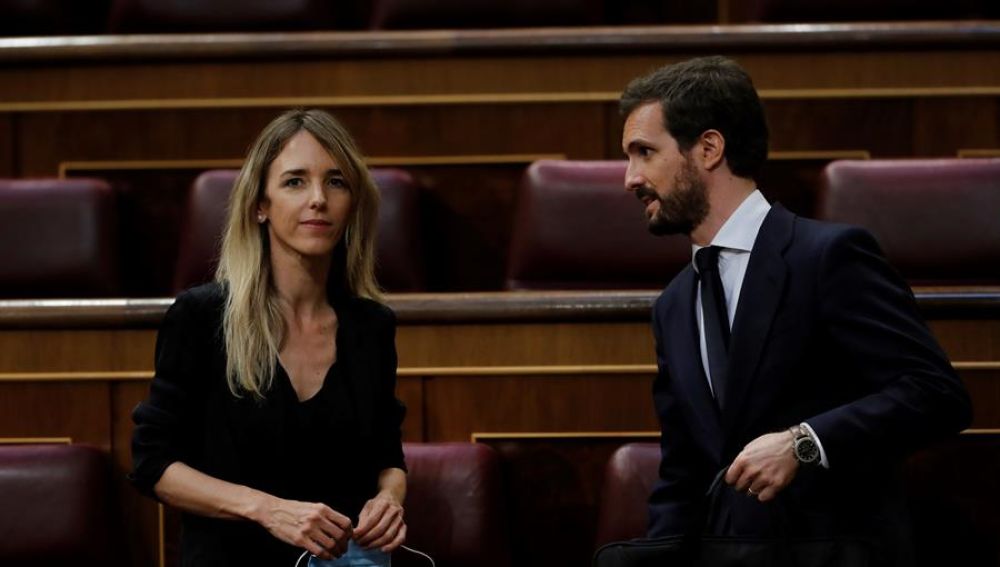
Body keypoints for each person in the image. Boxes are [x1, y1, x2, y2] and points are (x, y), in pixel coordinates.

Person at [620, 56, 971, 565]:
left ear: (710, 148)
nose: (630, 178)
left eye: (644, 153)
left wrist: (805, 443)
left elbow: (937, 395)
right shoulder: (674, 303)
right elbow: (683, 474)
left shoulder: (827, 257)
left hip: (833, 551)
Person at [131, 109, 407, 566]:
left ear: (353, 203)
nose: (318, 198)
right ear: (260, 205)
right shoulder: (202, 317)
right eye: (295, 182)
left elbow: (386, 452)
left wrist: (390, 498)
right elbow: (152, 465)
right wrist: (267, 509)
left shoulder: (371, 326)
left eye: (336, 182)